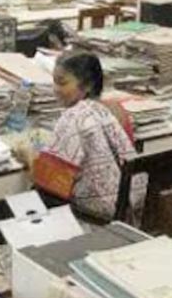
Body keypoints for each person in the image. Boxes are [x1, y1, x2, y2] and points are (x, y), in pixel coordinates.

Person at [34, 52, 135, 220]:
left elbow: (52, 183)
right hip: (125, 212)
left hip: (92, 218)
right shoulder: (108, 109)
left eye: (62, 83)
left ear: (87, 85)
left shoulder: (74, 117)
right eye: (54, 82)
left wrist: (28, 159)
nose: (55, 89)